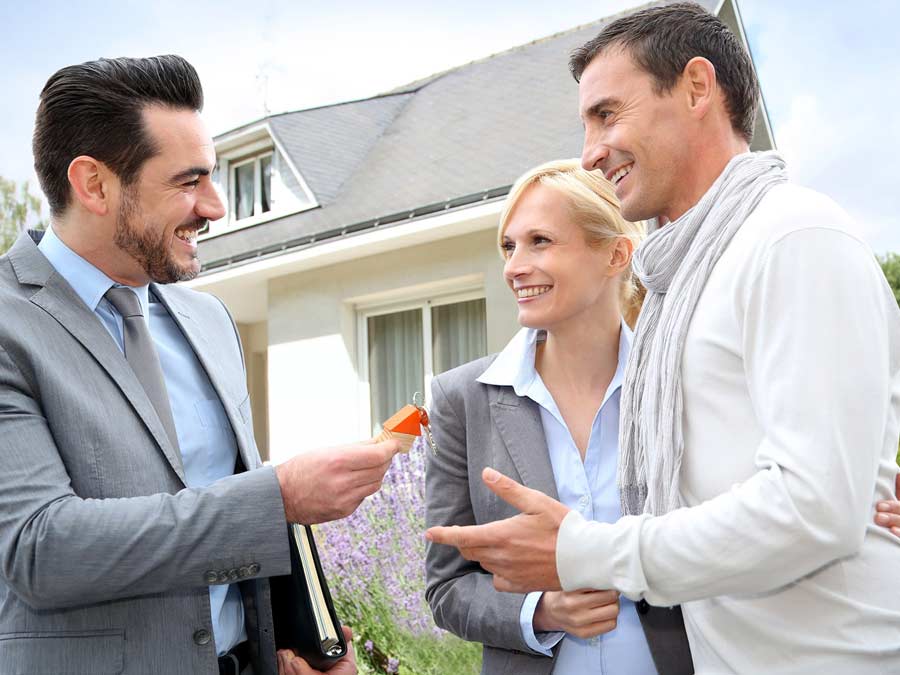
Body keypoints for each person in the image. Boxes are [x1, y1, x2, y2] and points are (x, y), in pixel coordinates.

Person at [427, 3, 900, 672]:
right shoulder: (680, 286)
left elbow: (812, 507)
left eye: (607, 114)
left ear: (697, 88)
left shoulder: (793, 239)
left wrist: (583, 549)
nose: (590, 151)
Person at [0, 55, 397, 675]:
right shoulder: (8, 326)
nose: (213, 207)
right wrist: (281, 497)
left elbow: (224, 512)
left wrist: (294, 647)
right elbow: (39, 550)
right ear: (94, 184)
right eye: (188, 183)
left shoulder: (210, 321)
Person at [425, 159, 692, 674]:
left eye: (541, 241)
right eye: (509, 246)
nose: (514, 266)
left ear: (616, 254)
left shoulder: (680, 384)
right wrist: (541, 611)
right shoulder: (461, 400)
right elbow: (447, 586)